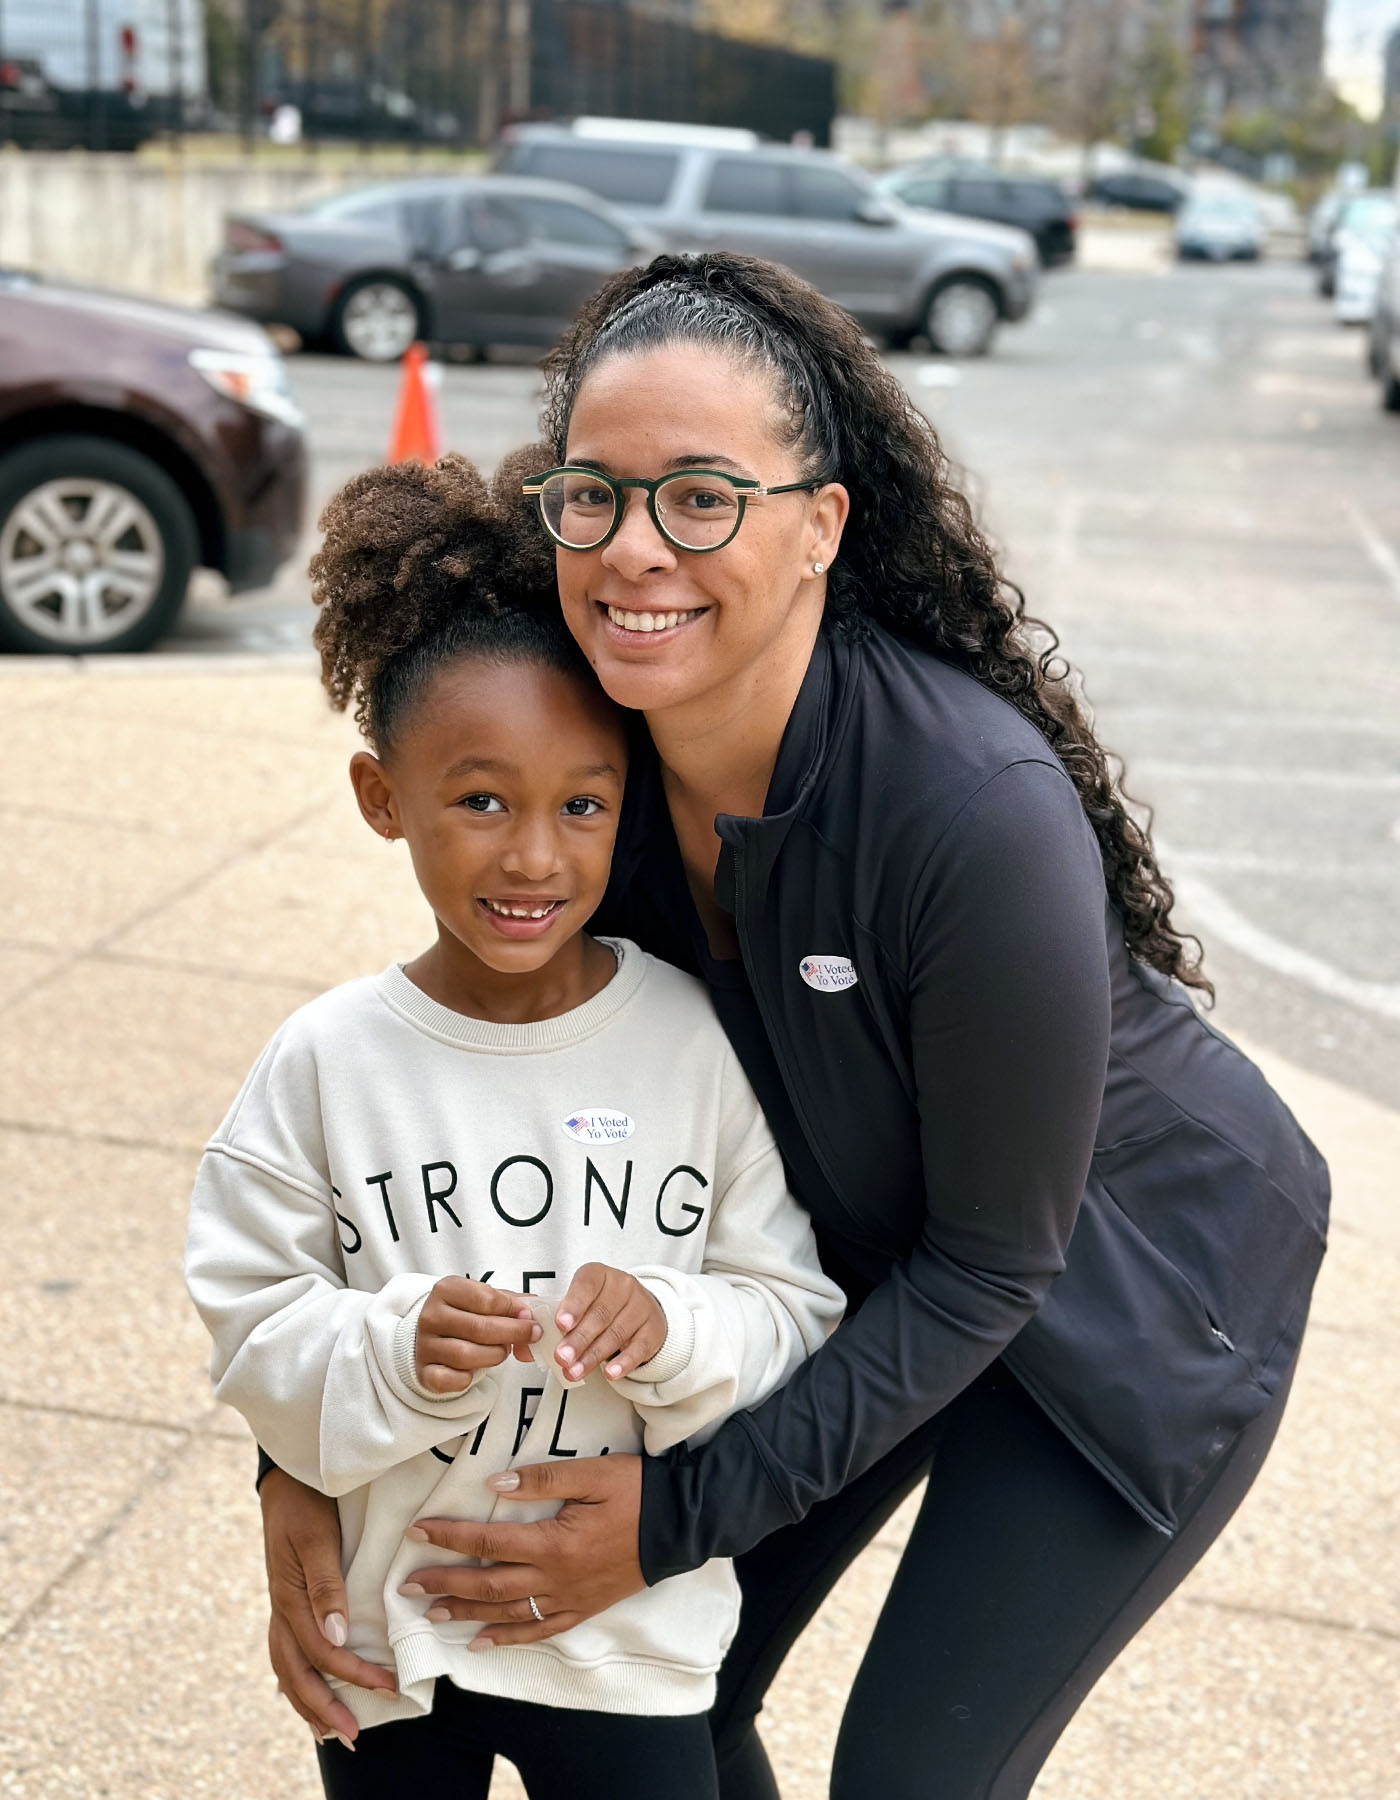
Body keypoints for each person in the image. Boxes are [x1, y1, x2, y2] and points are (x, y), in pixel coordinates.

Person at [257, 254, 1330, 1800]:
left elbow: (991, 1265)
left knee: (911, 1772)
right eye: (596, 496)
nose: (637, 551)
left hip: (1133, 1285)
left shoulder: (972, 812)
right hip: (870, 1265)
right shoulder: (598, 759)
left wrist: (674, 1512)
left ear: (820, 523)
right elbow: (471, 1114)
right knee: (666, 1695)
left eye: (703, 499)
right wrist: (299, 1458)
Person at [184, 451, 844, 1800]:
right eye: (479, 800)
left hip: (623, 1642)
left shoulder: (695, 1043)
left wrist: (671, 1328)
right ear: (385, 801)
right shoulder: (325, 1063)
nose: (534, 856)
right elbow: (250, 1320)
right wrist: (392, 1343)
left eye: (580, 806)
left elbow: (789, 1304)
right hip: (387, 1635)